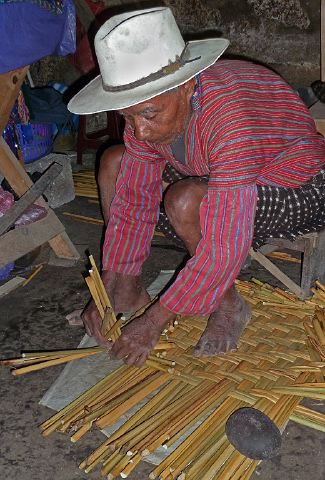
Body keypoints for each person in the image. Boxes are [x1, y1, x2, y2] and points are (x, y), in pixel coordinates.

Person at [68, 7, 325, 366]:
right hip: (223, 175)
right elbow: (133, 200)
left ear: (187, 86)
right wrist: (114, 277)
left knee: (187, 202)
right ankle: (129, 289)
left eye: (148, 115)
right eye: (128, 115)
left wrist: (156, 320)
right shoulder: (149, 109)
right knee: (116, 163)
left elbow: (224, 243)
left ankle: (229, 304)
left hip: (300, 185)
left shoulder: (230, 118)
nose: (139, 129)